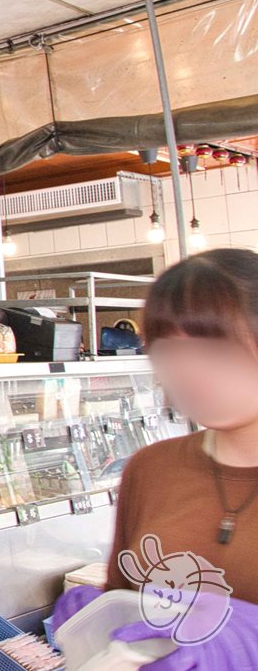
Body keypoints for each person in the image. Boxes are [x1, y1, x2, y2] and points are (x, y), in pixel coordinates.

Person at [53, 249, 258, 669]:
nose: (189, 371)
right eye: (168, 351)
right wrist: (102, 619)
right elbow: (125, 601)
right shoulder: (152, 469)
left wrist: (240, 640)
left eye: (216, 350)